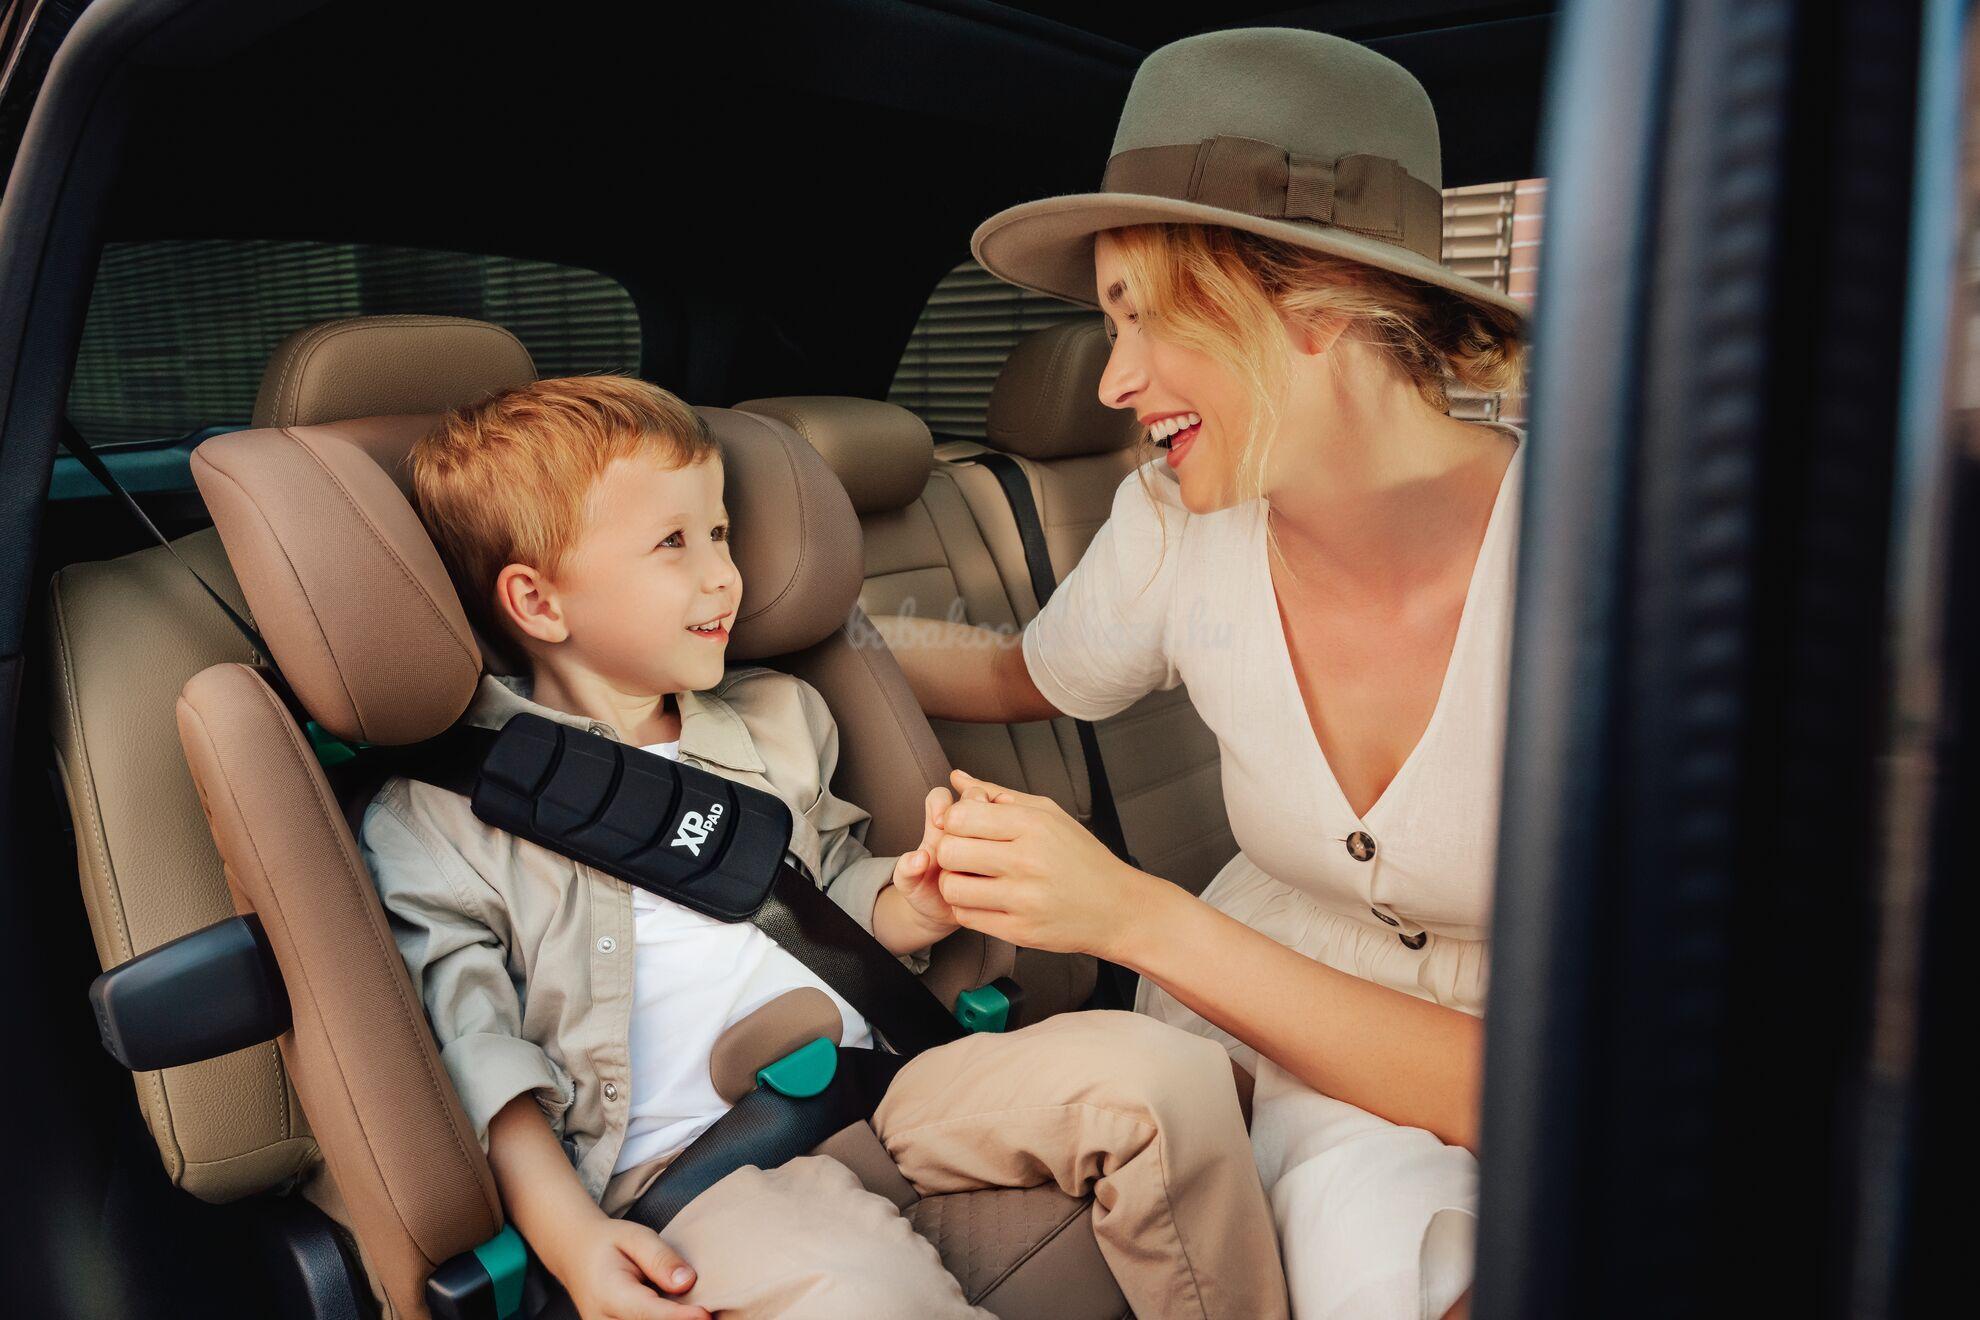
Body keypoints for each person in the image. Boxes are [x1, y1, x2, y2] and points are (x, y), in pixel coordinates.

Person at [357, 375, 1286, 1320]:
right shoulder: (443, 820)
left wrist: (912, 902)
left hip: (885, 1085)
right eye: (674, 543)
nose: (725, 575)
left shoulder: (779, 718)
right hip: (698, 1174)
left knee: (1172, 1079)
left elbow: (829, 895)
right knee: (866, 1298)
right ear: (538, 601)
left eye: (720, 533)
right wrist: (572, 1239)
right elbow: (480, 1055)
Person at [877, 28, 1528, 1320]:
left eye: (1145, 315)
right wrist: (792, 628)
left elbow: (1538, 1095)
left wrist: (1132, 917)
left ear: (1320, 301)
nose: (1115, 381)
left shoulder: (1614, 561)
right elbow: (1018, 677)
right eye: (1105, 323)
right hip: (1258, 1031)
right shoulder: (1173, 526)